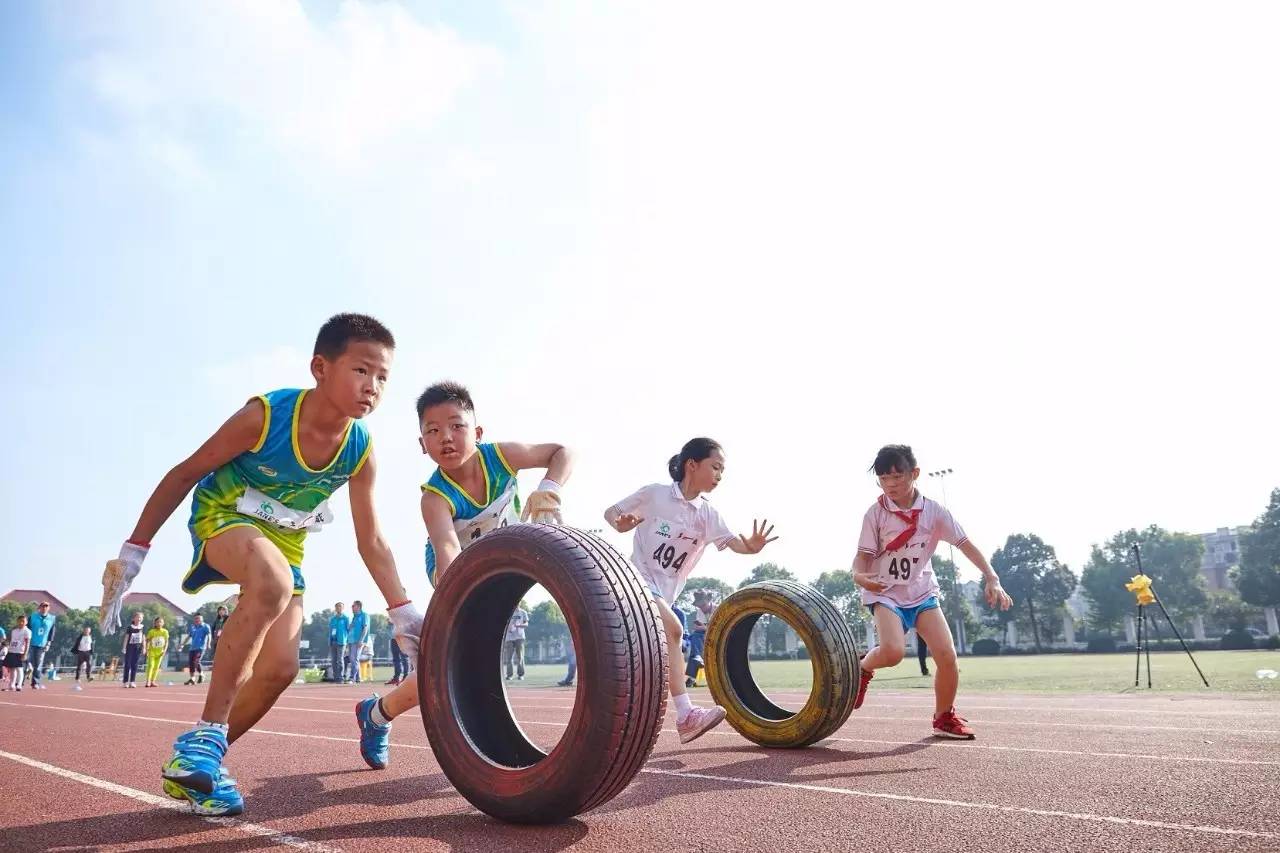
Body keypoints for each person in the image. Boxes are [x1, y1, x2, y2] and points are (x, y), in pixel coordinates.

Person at [97, 314, 425, 817]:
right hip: (222, 518)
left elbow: (372, 539)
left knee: (280, 668)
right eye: (362, 370)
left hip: (285, 546)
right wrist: (134, 552)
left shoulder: (360, 451)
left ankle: (197, 766)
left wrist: (403, 612)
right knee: (269, 580)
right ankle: (206, 736)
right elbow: (186, 472)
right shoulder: (266, 416)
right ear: (321, 367)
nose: (373, 387)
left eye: (383, 378)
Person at [354, 380, 572, 770]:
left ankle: (377, 712)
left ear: (478, 432)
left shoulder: (502, 457)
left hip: (510, 559)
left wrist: (549, 489)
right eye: (432, 431)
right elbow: (447, 548)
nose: (446, 438)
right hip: (454, 572)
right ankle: (375, 715)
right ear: (422, 444)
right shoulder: (434, 496)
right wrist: (458, 595)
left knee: (459, 665)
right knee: (446, 668)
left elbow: (561, 452)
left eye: (456, 426)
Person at [605, 437, 777, 744]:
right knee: (674, 629)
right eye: (716, 467)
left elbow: (734, 543)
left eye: (723, 470)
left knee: (649, 657)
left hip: (664, 593)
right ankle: (685, 716)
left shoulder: (708, 515)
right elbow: (611, 513)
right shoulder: (655, 495)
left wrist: (750, 548)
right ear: (692, 465)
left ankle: (616, 722)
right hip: (634, 580)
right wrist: (623, 524)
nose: (720, 475)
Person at [851, 445, 1012, 739]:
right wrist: (860, 576)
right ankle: (862, 668)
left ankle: (944, 717)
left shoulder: (934, 512)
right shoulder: (875, 514)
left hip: (922, 592)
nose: (891, 485)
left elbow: (965, 543)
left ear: (915, 474)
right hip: (885, 592)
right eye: (884, 479)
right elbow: (861, 557)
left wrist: (992, 577)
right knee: (892, 652)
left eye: (897, 478)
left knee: (947, 656)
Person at [685, 590, 715, 687]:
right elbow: (698, 627)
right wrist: (705, 627)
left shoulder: (717, 609)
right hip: (706, 636)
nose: (701, 607)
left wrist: (704, 627)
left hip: (720, 635)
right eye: (699, 605)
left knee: (696, 637)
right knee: (694, 638)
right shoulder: (700, 612)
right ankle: (692, 677)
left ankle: (692, 678)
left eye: (703, 604)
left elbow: (717, 627)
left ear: (709, 600)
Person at [27, 602, 56, 690]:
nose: (44, 608)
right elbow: (27, 629)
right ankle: (19, 682)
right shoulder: (32, 617)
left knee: (38, 664)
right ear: (39, 607)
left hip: (42, 644)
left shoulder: (52, 618)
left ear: (49, 608)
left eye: (46, 606)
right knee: (27, 662)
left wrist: (48, 643)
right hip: (31, 643)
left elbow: (52, 632)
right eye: (43, 606)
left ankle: (35, 683)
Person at [503, 604, 529, 681]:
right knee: (509, 658)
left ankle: (520, 675)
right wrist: (510, 627)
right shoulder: (508, 612)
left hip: (519, 637)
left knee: (520, 657)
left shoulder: (523, 612)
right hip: (509, 637)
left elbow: (526, 624)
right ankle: (509, 675)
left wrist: (519, 625)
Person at [4, 616, 30, 692]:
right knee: (12, 669)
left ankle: (19, 685)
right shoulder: (14, 630)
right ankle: (11, 685)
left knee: (19, 669)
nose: (21, 623)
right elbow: (10, 640)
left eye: (23, 621)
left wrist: (25, 653)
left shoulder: (27, 631)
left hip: (20, 652)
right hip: (12, 651)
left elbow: (27, 643)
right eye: (19, 621)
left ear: (26, 622)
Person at [184, 614, 211, 685]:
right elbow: (188, 636)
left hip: (201, 648)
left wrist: (208, 643)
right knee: (191, 663)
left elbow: (209, 635)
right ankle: (192, 678)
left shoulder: (205, 626)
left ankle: (202, 674)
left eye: (198, 618)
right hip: (192, 648)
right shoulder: (193, 627)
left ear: (202, 619)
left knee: (197, 661)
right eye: (195, 618)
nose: (197, 620)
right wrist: (182, 644)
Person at [121, 612, 145, 688]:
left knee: (134, 665)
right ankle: (125, 681)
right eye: (137, 617)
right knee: (127, 665)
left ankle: (132, 681)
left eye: (140, 617)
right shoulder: (130, 627)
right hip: (129, 647)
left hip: (137, 648)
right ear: (134, 618)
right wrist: (124, 647)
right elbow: (126, 637)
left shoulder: (143, 627)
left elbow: (144, 638)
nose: (139, 619)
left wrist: (144, 648)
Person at [144, 616, 170, 688]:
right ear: (155, 623)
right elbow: (147, 641)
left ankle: (153, 681)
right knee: (151, 666)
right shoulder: (151, 632)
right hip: (152, 652)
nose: (159, 623)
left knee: (156, 667)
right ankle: (148, 681)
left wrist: (164, 650)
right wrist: (146, 649)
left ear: (163, 623)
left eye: (160, 622)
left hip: (160, 652)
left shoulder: (165, 632)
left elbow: (166, 642)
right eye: (157, 622)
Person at [347, 601, 369, 684]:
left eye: (353, 606)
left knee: (354, 659)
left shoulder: (364, 615)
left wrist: (361, 640)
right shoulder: (354, 616)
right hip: (351, 640)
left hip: (358, 641)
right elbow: (351, 628)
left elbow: (365, 628)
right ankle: (358, 678)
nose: (352, 607)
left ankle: (352, 677)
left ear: (359, 606)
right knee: (353, 660)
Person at [329, 603, 350, 684]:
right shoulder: (333, 619)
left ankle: (341, 677)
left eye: (340, 607)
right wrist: (330, 640)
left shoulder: (345, 618)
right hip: (333, 641)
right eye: (337, 607)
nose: (338, 608)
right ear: (335, 608)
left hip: (341, 642)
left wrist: (347, 642)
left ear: (343, 608)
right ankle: (335, 677)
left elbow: (348, 631)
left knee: (340, 660)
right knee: (333, 660)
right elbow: (330, 630)